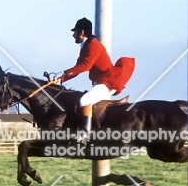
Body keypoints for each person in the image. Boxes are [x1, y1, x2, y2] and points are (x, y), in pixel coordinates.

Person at [51, 17, 135, 145]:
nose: (73, 35)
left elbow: (85, 66)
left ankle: (84, 136)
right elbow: (78, 67)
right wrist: (60, 79)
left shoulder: (93, 45)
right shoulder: (86, 46)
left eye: (75, 32)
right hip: (102, 82)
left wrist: (62, 73)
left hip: (107, 83)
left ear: (82, 32)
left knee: (84, 100)